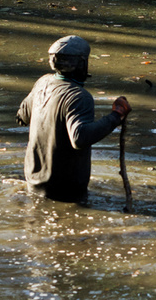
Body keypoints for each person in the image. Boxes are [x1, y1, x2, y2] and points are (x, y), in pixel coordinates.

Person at [16, 35, 131, 202]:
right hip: (66, 190)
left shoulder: (43, 82)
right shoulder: (79, 96)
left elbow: (21, 117)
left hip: (33, 181)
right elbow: (80, 138)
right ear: (82, 63)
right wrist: (117, 115)